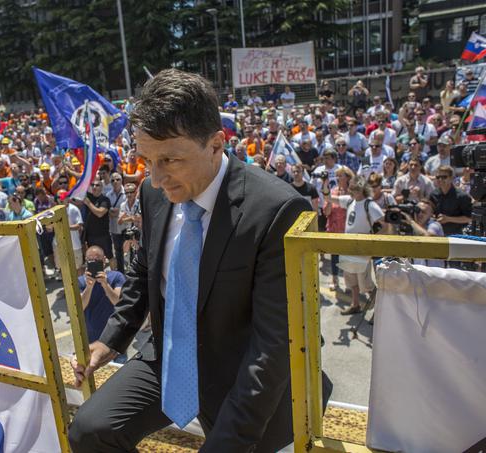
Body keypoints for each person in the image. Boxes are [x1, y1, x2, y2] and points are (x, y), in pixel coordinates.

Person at [69, 68, 331, 453]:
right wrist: (110, 341)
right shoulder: (153, 193)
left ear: (215, 144)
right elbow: (145, 271)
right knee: (89, 432)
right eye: (147, 160)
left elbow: (272, 347)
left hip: (245, 371)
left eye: (170, 160)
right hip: (171, 356)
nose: (156, 178)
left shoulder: (277, 209)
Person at [322, 175, 389, 315]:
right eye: (351, 188)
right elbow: (328, 199)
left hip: (361, 248)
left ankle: (381, 309)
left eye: (354, 188)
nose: (351, 191)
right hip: (349, 247)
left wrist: (372, 240)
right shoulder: (350, 201)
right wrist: (325, 185)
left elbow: (384, 224)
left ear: (361, 189)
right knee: (351, 279)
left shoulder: (369, 205)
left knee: (366, 283)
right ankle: (355, 304)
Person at [78, 246, 126, 344]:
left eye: (97, 259)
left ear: (104, 260)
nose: (94, 261)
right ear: (86, 261)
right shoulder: (81, 281)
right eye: (90, 260)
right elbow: (79, 307)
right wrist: (89, 287)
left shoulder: (117, 276)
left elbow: (118, 303)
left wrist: (105, 284)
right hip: (91, 338)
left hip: (115, 336)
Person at [429, 165, 472, 237]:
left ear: (451, 178)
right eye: (438, 177)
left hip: (457, 235)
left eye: (444, 177)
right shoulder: (433, 194)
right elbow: (431, 213)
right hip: (437, 234)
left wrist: (448, 219)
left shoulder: (462, 196)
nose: (440, 180)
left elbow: (469, 218)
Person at [83, 178, 113, 262]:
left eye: (97, 185)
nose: (94, 187)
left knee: (109, 257)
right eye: (92, 185)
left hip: (103, 235)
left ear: (102, 187)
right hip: (90, 236)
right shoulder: (88, 197)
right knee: (93, 259)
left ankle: (114, 273)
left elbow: (100, 213)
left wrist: (88, 203)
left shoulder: (104, 199)